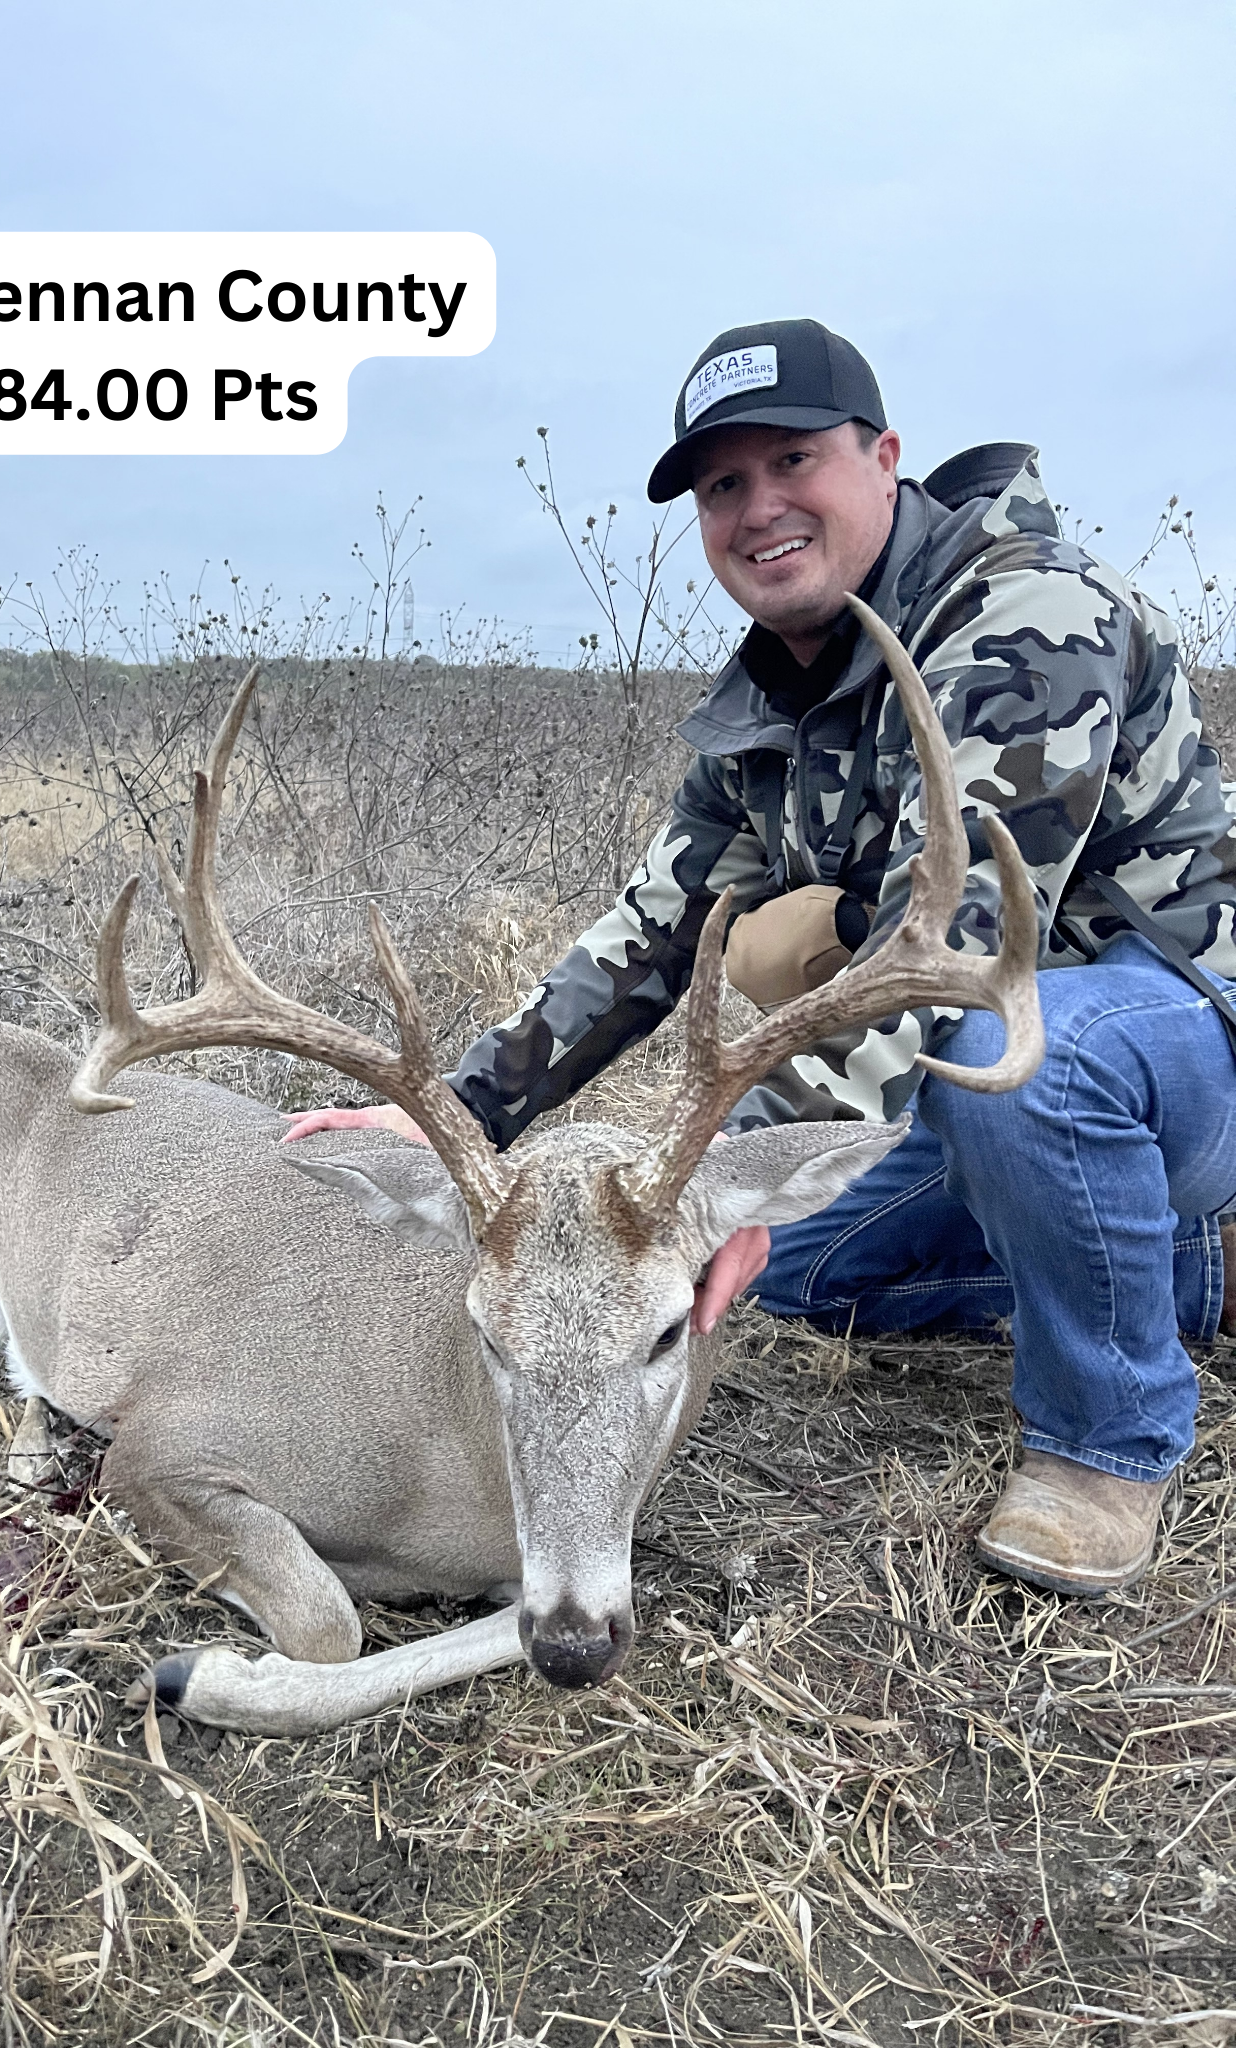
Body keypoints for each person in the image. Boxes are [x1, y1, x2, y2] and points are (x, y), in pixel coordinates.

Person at [287, 317, 1236, 1599]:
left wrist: (714, 1171)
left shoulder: (1031, 614)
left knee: (1019, 1052)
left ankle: (1105, 1441)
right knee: (780, 1265)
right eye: (724, 485)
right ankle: (1176, 1264)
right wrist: (456, 1113)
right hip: (977, 1091)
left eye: (794, 460)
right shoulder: (760, 715)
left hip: (1172, 1030)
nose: (759, 508)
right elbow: (640, 939)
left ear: (885, 456)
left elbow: (943, 948)